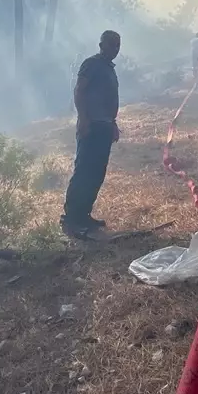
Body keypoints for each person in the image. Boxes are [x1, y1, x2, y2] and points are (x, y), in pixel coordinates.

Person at [61, 30, 121, 238]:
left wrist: (113, 123)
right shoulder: (91, 64)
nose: (115, 49)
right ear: (101, 44)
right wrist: (84, 119)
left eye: (117, 45)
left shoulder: (109, 68)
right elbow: (79, 91)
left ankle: (84, 214)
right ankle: (71, 219)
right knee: (84, 171)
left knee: (97, 172)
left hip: (104, 125)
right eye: (111, 44)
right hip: (91, 125)